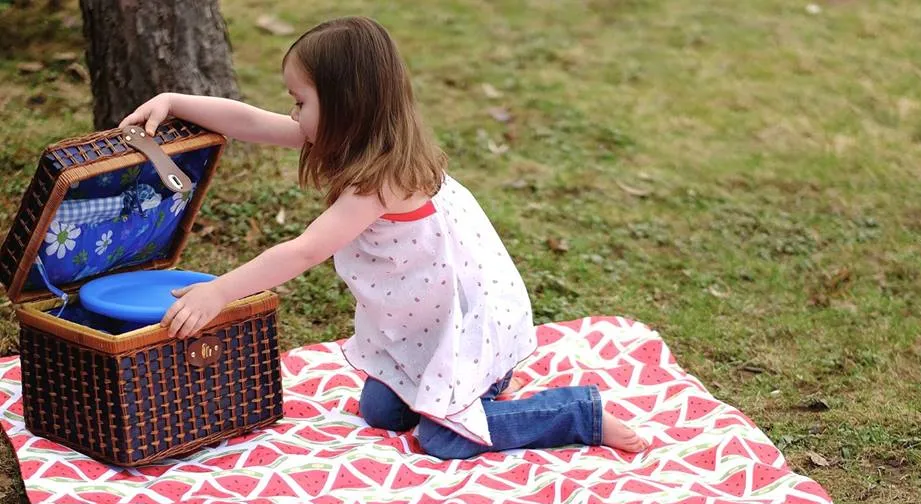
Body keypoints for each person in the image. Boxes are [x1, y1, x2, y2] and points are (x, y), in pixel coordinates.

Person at [120, 16, 648, 460]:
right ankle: (475, 388)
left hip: (469, 328)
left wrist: (220, 290)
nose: (291, 114)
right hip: (428, 327)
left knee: (442, 440)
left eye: (300, 101)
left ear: (347, 104)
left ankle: (577, 414)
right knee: (379, 412)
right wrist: (174, 99)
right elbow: (250, 122)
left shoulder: (383, 178)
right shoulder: (358, 137)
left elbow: (305, 249)